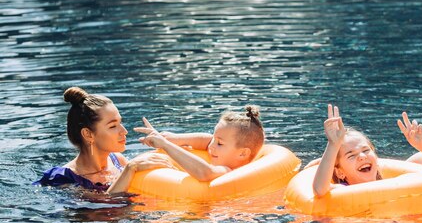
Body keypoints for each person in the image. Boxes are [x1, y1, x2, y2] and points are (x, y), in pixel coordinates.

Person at [34, 87, 173, 193]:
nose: (124, 131)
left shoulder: (117, 160)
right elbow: (99, 211)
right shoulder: (62, 179)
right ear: (88, 134)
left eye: (120, 123)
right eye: (113, 126)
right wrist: (130, 169)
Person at [312, 104, 422, 197]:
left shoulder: (396, 183)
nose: (362, 156)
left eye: (366, 150)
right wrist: (333, 145)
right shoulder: (340, 192)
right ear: (340, 172)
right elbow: (320, 189)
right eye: (351, 155)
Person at [135, 105, 264, 182]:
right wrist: (175, 138)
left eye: (219, 143)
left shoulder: (228, 171)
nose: (211, 145)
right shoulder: (232, 155)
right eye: (214, 139)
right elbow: (206, 140)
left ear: (242, 153)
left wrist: (165, 145)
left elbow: (206, 173)